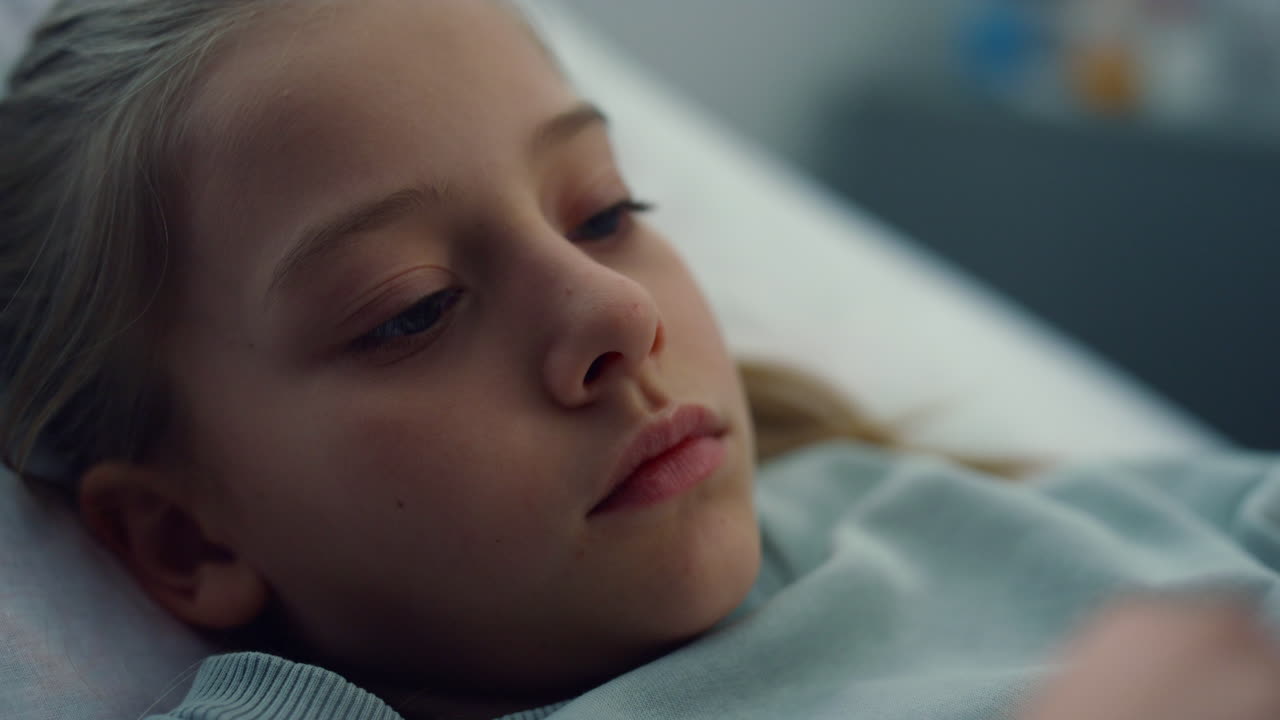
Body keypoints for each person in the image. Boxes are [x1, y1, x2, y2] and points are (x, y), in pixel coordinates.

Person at [0, 1, 1277, 719]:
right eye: (413, 309)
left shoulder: (967, 519)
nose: (611, 311)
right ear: (184, 542)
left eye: (603, 211)